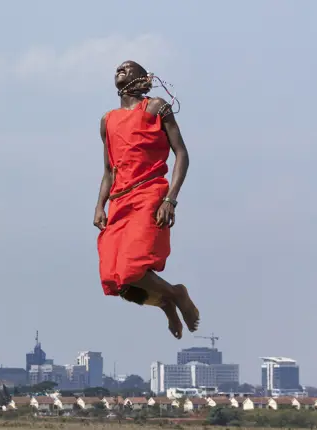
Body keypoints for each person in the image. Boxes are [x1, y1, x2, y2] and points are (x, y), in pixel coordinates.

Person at [94, 60, 199, 339]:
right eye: (118, 67)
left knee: (131, 268)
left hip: (149, 194)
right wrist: (99, 205)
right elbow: (108, 170)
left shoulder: (155, 107)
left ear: (142, 79)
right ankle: (166, 303)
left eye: (129, 67)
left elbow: (182, 154)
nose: (120, 68)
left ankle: (177, 293)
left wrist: (170, 200)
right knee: (115, 280)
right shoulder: (107, 120)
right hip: (118, 200)